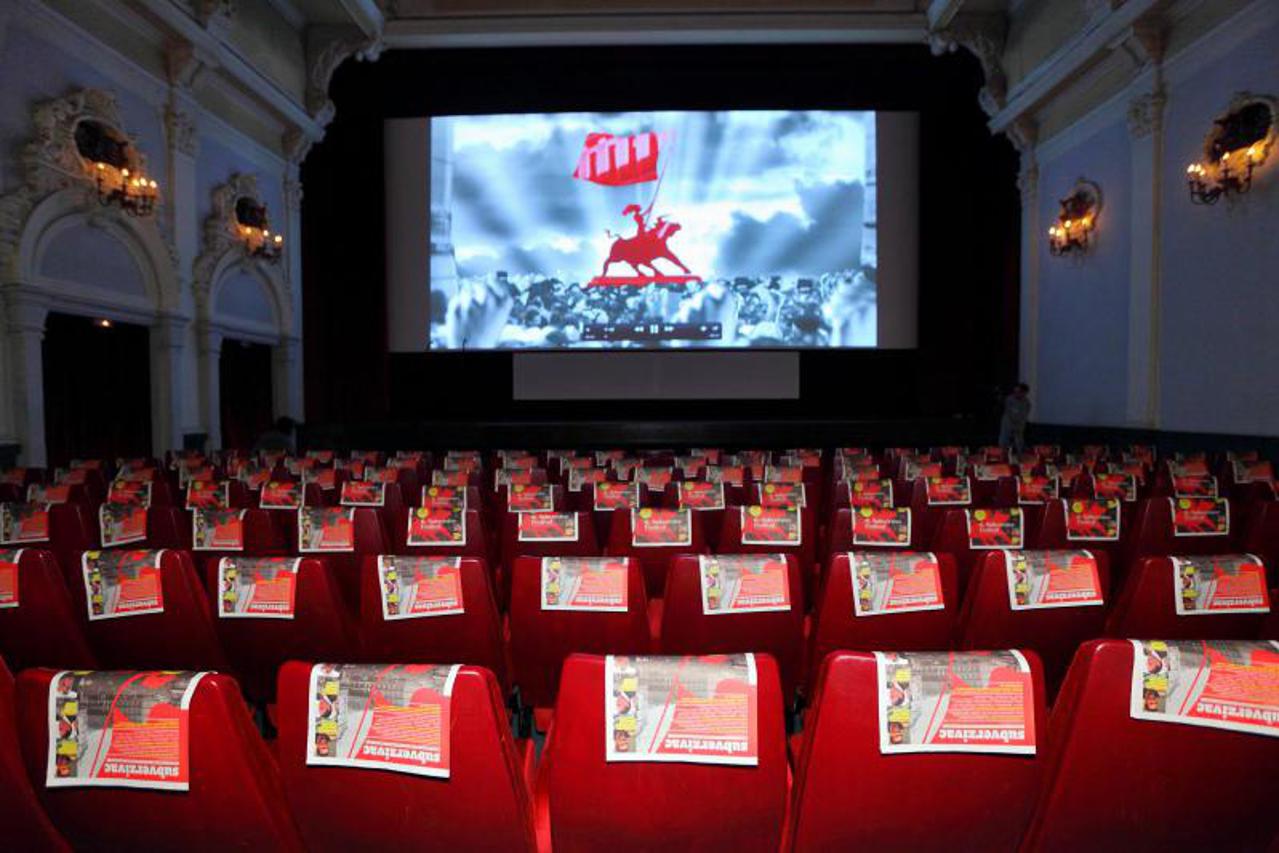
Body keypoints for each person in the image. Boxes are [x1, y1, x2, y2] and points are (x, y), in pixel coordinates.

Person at [998, 383, 1031, 454]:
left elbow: (1024, 415)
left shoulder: (1026, 403)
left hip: (1019, 424)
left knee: (1018, 441)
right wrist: (1012, 422)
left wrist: (1019, 425)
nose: (1017, 393)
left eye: (1019, 392)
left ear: (1024, 393)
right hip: (1008, 423)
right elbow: (1009, 412)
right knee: (1004, 440)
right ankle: (1003, 454)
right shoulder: (1009, 399)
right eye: (1016, 391)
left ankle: (1019, 454)